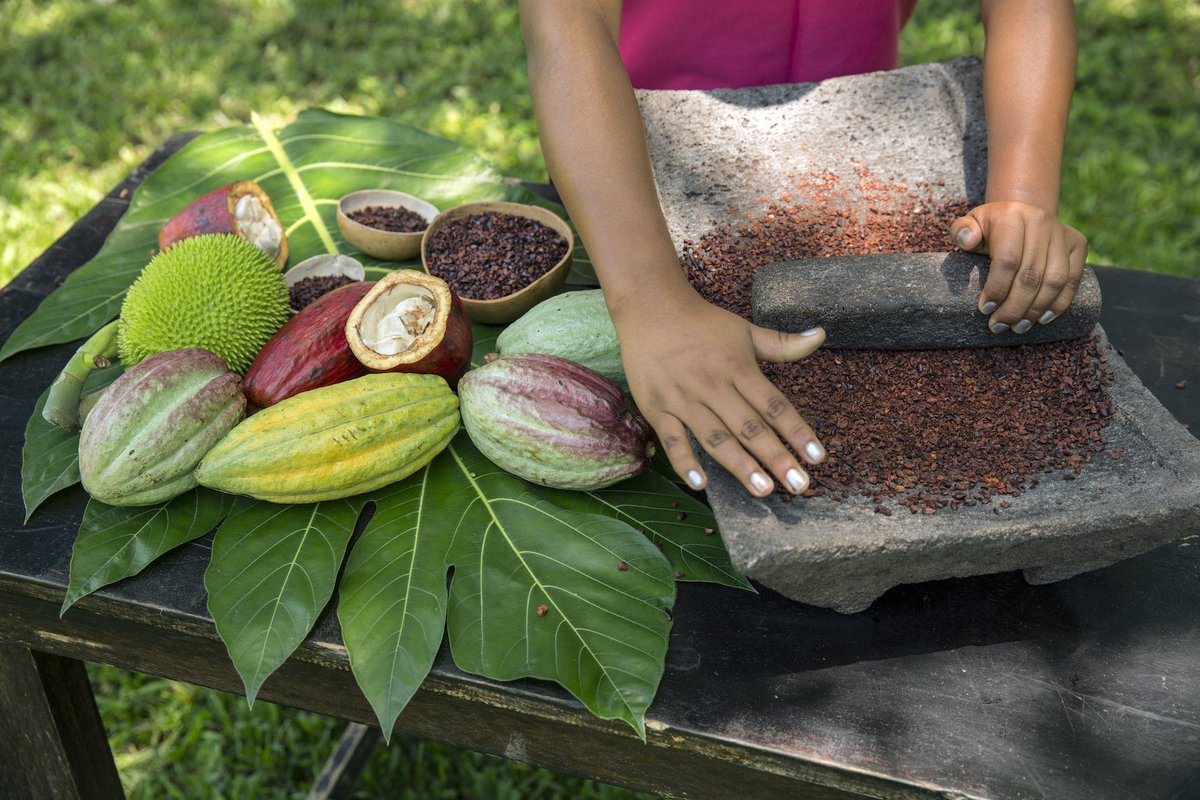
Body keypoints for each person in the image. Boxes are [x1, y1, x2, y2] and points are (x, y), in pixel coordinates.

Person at [519, 0, 1088, 500]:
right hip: (620, 166)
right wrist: (651, 298)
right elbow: (569, 20)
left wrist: (1023, 193)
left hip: (859, 137)